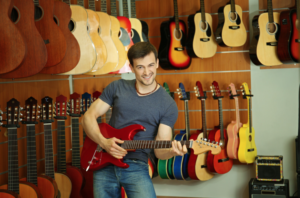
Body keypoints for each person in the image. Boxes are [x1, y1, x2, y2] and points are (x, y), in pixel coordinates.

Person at [81, 42, 187, 198]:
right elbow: (88, 117)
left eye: (151, 65)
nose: (147, 72)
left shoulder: (168, 105)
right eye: (140, 67)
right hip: (104, 162)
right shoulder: (117, 87)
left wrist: (172, 151)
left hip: (136, 167)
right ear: (131, 67)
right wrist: (104, 143)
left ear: (157, 63)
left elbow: (159, 151)